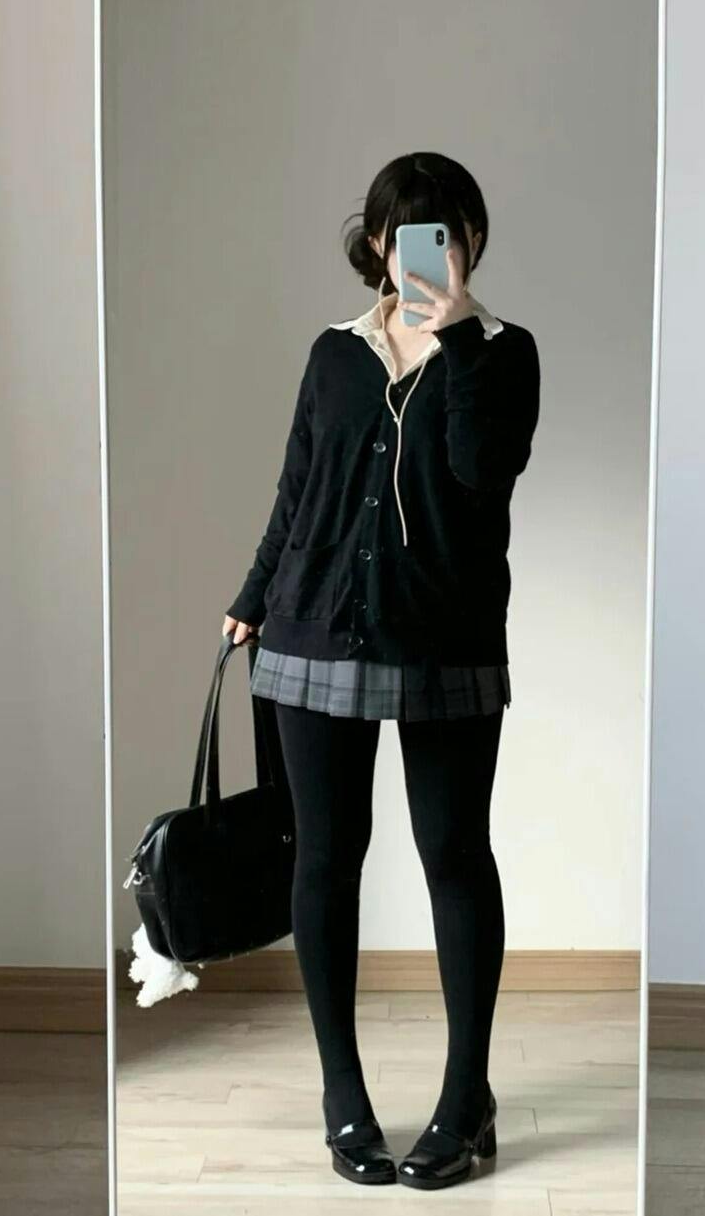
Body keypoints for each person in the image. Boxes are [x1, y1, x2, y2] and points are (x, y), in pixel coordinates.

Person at [223, 151, 540, 1189]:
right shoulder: (334, 353)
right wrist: (254, 593)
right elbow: (297, 484)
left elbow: (480, 475)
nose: (429, 252)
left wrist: (455, 335)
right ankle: (343, 1094)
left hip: (445, 637)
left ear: (472, 242)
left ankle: (466, 1098)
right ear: (375, 243)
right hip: (311, 627)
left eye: (450, 232)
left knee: (454, 854)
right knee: (325, 858)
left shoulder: (503, 353)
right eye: (409, 234)